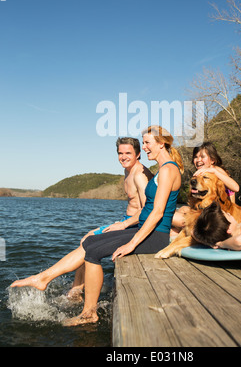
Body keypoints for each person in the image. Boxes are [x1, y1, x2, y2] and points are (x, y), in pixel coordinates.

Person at [11, 125, 184, 326]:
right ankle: (43, 278)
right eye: (143, 142)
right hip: (145, 230)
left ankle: (89, 313)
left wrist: (131, 243)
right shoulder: (162, 170)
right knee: (90, 242)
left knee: (93, 253)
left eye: (147, 143)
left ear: (161, 144)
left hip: (155, 236)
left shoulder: (169, 170)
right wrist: (124, 225)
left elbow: (157, 212)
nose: (144, 147)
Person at [68, 137, 153, 300]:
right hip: (126, 220)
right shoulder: (127, 171)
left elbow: (146, 210)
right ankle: (78, 288)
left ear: (138, 154)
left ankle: (76, 290)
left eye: (128, 153)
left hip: (134, 225)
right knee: (87, 238)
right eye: (120, 153)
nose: (123, 157)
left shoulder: (139, 175)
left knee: (88, 241)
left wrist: (124, 224)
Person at [170, 142, 239, 238]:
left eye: (202, 157)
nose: (198, 160)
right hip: (208, 208)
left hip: (223, 212)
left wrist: (214, 171)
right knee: (182, 209)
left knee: (175, 217)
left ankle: (182, 233)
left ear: (213, 160)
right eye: (196, 157)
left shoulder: (216, 170)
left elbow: (236, 188)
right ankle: (176, 234)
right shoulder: (200, 173)